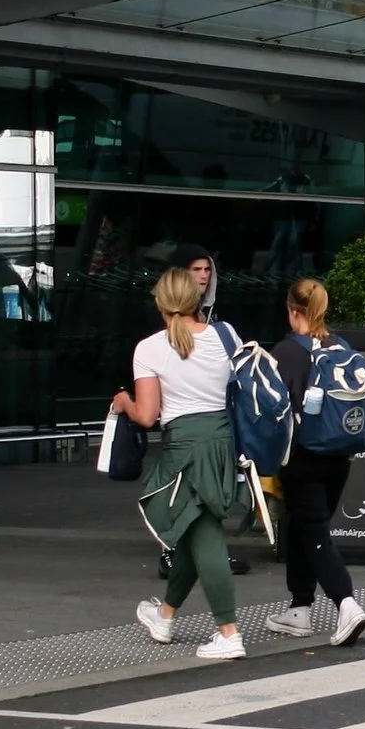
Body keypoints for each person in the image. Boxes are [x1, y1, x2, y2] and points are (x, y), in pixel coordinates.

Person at [112, 269, 248, 660]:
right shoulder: (227, 336)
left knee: (204, 534)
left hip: (184, 445)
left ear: (159, 303)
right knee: (194, 528)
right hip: (223, 441)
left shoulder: (150, 348)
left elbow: (147, 414)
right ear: (196, 299)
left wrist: (122, 402)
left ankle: (229, 632)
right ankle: (166, 616)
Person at [264, 279, 365, 648]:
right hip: (340, 453)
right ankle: (300, 608)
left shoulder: (287, 351)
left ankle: (347, 603)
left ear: (292, 309)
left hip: (303, 454)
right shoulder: (340, 346)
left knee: (314, 531)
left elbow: (273, 407)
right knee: (304, 525)